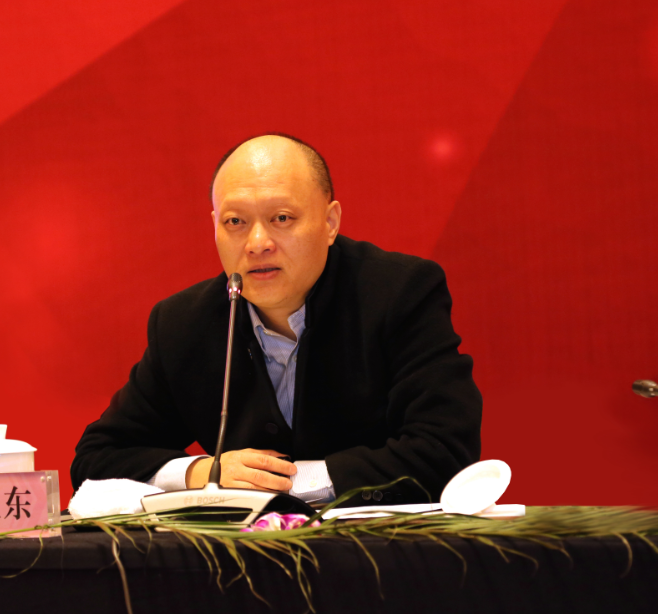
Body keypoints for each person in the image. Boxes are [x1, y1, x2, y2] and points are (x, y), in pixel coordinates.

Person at [70, 134, 482, 507]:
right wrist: (203, 472)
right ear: (214, 226)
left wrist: (289, 484)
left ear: (330, 222)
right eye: (235, 222)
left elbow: (445, 451)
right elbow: (95, 460)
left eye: (281, 218)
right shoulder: (183, 323)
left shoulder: (399, 293)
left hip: (381, 555)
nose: (257, 243)